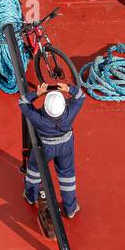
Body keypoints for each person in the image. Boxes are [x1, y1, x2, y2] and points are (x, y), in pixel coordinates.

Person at [19, 81, 85, 220]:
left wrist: (37, 93)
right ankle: (70, 208)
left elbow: (23, 102)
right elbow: (80, 96)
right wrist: (69, 89)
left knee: (34, 170)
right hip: (65, 147)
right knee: (67, 176)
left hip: (46, 148)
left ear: (45, 107)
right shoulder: (69, 115)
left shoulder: (38, 118)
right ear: (63, 107)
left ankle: (31, 196)